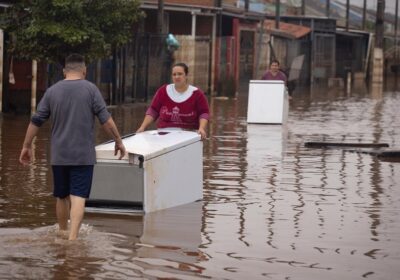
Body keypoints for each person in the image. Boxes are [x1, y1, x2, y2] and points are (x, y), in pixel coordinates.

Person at [19, 53, 126, 241]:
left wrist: (26, 146)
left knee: (61, 195)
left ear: (64, 71)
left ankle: (62, 232)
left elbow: (36, 121)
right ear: (84, 71)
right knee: (78, 196)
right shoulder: (91, 90)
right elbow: (106, 121)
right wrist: (118, 140)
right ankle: (73, 239)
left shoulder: (52, 91)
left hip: (59, 155)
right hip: (82, 155)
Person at [136, 62, 210, 139]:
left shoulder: (197, 94)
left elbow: (204, 113)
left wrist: (201, 128)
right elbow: (153, 110)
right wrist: (142, 127)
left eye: (180, 74)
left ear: (186, 75)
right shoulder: (163, 91)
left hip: (189, 134)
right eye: (174, 74)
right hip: (164, 133)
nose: (177, 77)